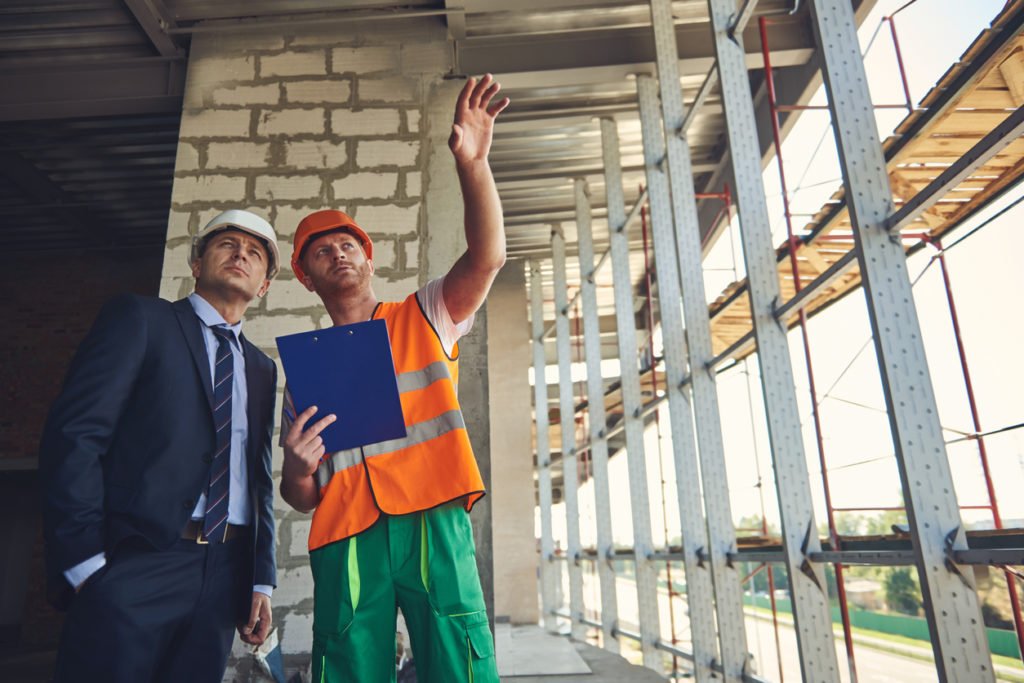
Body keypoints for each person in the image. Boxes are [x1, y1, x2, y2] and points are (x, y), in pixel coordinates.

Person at [279, 74, 509, 682]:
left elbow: (487, 257)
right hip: (347, 529)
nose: (337, 254)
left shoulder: (425, 314)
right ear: (305, 277)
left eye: (347, 243)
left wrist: (474, 166)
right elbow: (302, 495)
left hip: (432, 515)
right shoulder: (304, 372)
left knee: (457, 658)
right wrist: (297, 469)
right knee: (348, 665)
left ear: (369, 254)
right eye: (320, 251)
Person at [39, 210, 281, 682]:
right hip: (137, 561)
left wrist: (260, 578)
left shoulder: (261, 368)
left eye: (255, 254)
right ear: (196, 263)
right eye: (227, 244)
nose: (240, 255)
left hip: (224, 574)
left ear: (265, 286)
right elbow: (75, 435)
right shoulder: (141, 319)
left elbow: (257, 477)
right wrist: (85, 563)